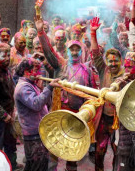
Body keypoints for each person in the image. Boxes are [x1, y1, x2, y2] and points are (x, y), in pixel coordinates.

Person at [35, 16, 98, 171]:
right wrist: (40, 32)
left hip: (77, 116)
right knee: (54, 146)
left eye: (77, 49)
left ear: (82, 51)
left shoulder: (87, 70)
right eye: (72, 49)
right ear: (68, 51)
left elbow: (91, 96)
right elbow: (49, 52)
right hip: (60, 113)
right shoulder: (61, 65)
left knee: (72, 149)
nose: (75, 52)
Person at [14, 58, 60, 171]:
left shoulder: (30, 84)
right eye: (36, 70)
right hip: (33, 136)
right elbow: (36, 104)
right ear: (26, 71)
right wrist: (49, 87)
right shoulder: (23, 87)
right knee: (38, 166)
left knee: (33, 166)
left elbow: (44, 104)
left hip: (37, 133)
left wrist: (41, 88)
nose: (39, 74)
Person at [90, 17, 124, 171]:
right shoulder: (104, 70)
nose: (112, 64)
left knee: (119, 152)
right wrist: (92, 33)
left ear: (120, 60)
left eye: (115, 60)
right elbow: (96, 53)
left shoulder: (126, 75)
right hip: (104, 118)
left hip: (120, 120)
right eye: (110, 61)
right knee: (99, 151)